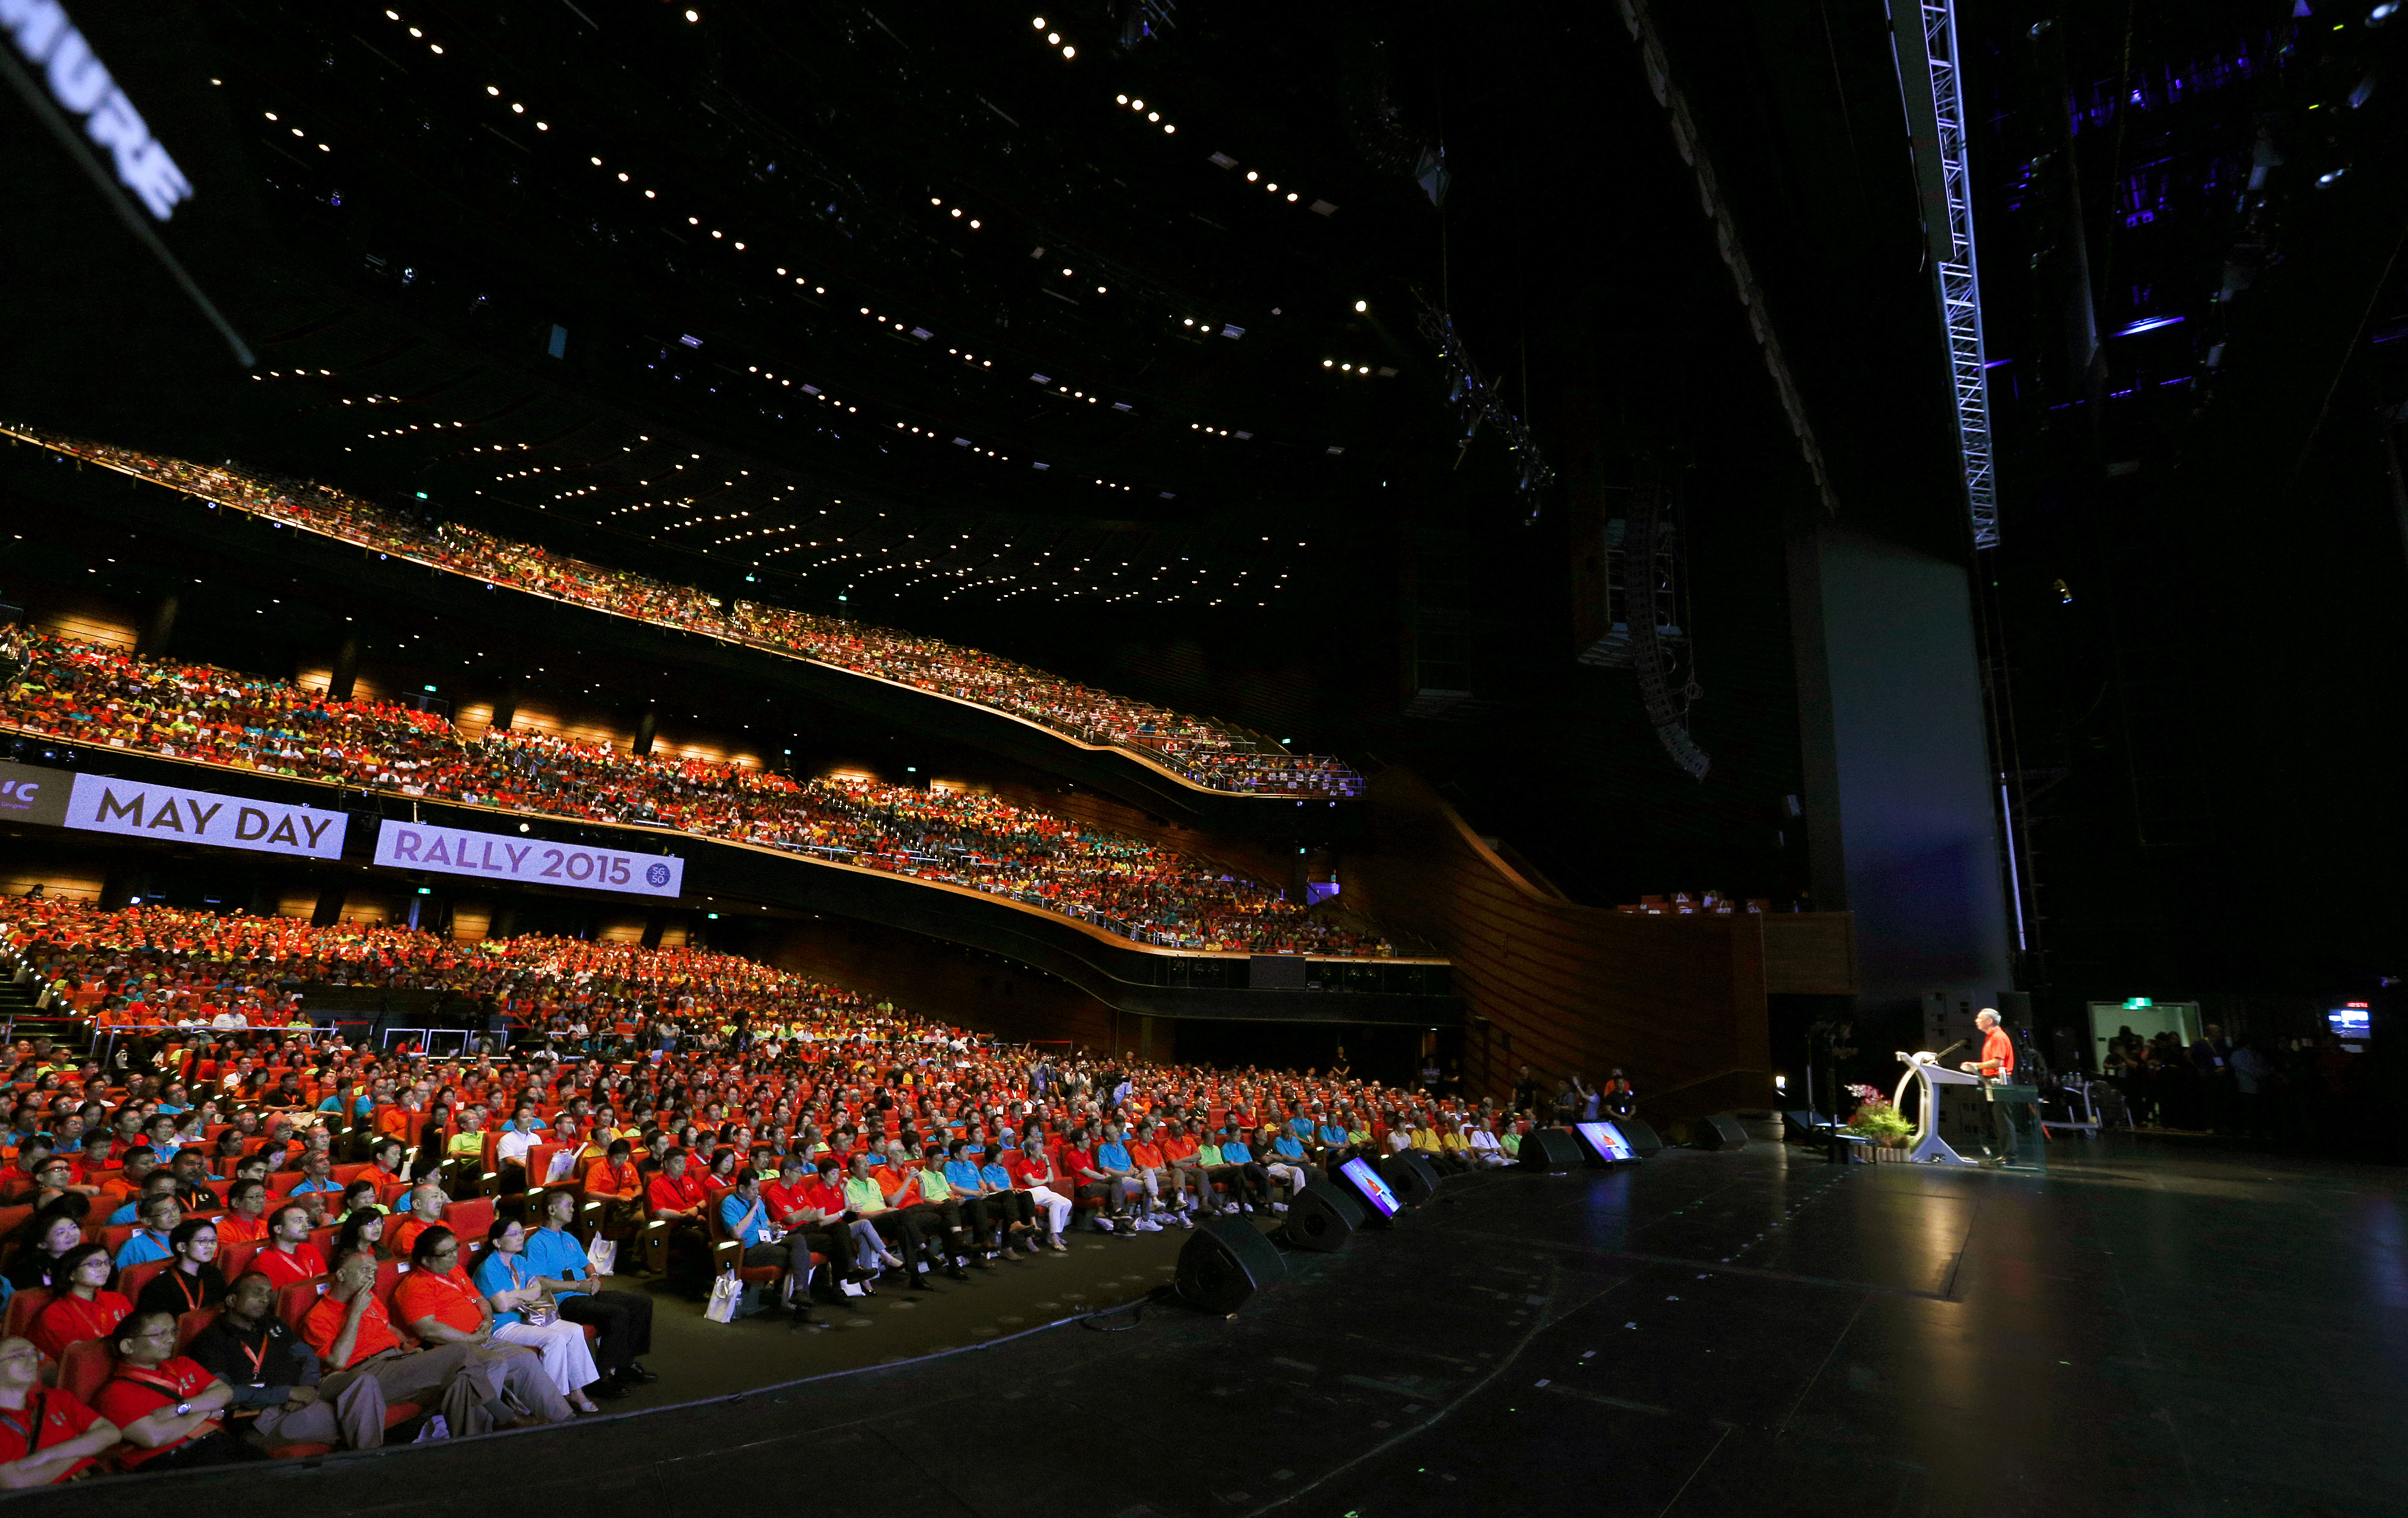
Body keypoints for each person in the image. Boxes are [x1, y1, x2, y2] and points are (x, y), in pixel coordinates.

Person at [298, 1250, 572, 1436]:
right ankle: (506, 1417)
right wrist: (355, 1312)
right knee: (462, 1355)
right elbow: (337, 1362)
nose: (370, 1277)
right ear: (342, 1276)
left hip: (400, 1362)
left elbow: (388, 1329)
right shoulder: (320, 1315)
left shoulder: (372, 1302)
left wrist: (407, 1347)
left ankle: (468, 1449)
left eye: (373, 1272)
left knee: (466, 1379)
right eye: (363, 1271)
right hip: (365, 1375)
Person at [521, 1187, 654, 1394]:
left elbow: (588, 1265)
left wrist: (594, 1278)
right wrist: (576, 1286)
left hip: (585, 1292)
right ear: (552, 1210)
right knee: (617, 1314)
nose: (574, 1210)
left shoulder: (569, 1239)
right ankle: (599, 1377)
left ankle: (625, 1365)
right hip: (564, 1300)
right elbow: (538, 1281)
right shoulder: (537, 1243)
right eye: (569, 1205)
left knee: (642, 1303)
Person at [90, 1309, 259, 1470]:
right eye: (159, 1334)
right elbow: (154, 1437)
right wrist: (205, 1413)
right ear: (128, 1346)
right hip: (167, 1462)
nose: (171, 1340)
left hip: (213, 1443)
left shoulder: (183, 1364)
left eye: (172, 1332)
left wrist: (177, 1410)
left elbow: (224, 1393)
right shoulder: (116, 1393)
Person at [464, 1221, 610, 1406]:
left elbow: (537, 1289)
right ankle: (551, 1399)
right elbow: (501, 1306)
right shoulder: (489, 1267)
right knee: (554, 1339)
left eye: (521, 1232)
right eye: (513, 1234)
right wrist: (524, 1295)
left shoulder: (519, 1261)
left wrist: (515, 1296)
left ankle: (576, 1391)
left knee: (574, 1331)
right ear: (497, 1243)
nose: (520, 1237)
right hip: (504, 1325)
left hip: (528, 1317)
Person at [0, 1336, 119, 1487]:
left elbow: (111, 1433)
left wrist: (47, 1455)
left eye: (34, 1354)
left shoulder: (57, 1398)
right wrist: (81, 1448)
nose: (31, 1361)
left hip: (97, 1481)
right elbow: (15, 1483)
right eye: (18, 1355)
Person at [716, 1170, 814, 1319]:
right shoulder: (729, 1204)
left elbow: (766, 1223)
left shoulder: (757, 1200)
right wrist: (753, 1208)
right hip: (749, 1250)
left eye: (758, 1188)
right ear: (742, 1189)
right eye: (754, 1189)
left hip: (768, 1241)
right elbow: (736, 1233)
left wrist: (773, 1227)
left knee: (799, 1239)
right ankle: (801, 1300)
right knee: (800, 1255)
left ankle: (800, 1293)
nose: (757, 1192)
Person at [29, 1243, 130, 1360]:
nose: (104, 1268)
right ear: (71, 1274)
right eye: (95, 1264)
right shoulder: (56, 1314)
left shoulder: (118, 1299)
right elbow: (75, 1359)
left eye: (107, 1262)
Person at [133, 1218, 226, 1319]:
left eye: (213, 1241)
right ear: (182, 1247)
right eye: (203, 1241)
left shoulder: (215, 1275)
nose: (210, 1246)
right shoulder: (160, 1287)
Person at [4, 1208, 85, 1293]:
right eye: (60, 1232)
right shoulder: (31, 1272)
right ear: (42, 1244)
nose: (71, 1234)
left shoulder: (83, 1257)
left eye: (73, 1227)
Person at [252, 1204, 328, 1289]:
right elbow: (281, 1299)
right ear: (278, 1229)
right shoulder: (265, 1262)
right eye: (299, 1221)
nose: (306, 1226)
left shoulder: (310, 1249)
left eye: (307, 1221)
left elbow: (324, 1284)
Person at [1960, 1009, 2015, 1080]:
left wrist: (1975, 1066)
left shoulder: (1998, 1037)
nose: (1976, 1021)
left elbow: (1997, 1063)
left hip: (2000, 1080)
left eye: (1980, 1018)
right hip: (1994, 1079)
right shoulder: (1991, 1037)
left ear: (1990, 1021)